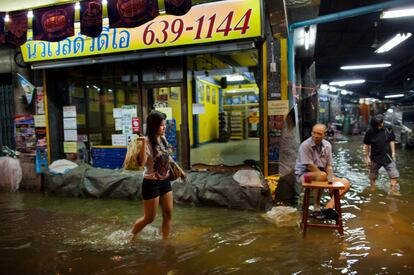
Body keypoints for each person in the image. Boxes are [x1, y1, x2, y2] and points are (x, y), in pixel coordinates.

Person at [130, 110, 186, 241]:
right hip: (151, 183)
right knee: (150, 218)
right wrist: (143, 144)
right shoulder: (147, 142)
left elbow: (168, 158)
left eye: (164, 124)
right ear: (154, 126)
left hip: (165, 182)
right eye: (162, 125)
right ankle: (130, 236)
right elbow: (142, 163)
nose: (164, 127)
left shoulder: (163, 139)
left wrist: (180, 171)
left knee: (168, 214)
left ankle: (165, 241)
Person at [295, 123, 351, 220]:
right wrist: (327, 182)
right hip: (304, 175)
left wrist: (330, 179)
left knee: (346, 184)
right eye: (314, 133)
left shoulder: (327, 145)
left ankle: (328, 207)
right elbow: (310, 166)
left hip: (322, 175)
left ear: (325, 134)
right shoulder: (305, 145)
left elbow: (329, 165)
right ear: (311, 133)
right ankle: (316, 207)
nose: (316, 136)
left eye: (319, 134)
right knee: (321, 176)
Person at [363, 114, 400, 195]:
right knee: (372, 175)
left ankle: (393, 190)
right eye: (379, 125)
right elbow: (367, 145)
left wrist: (393, 153)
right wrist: (367, 157)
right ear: (374, 126)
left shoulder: (388, 129)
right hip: (375, 157)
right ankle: (372, 187)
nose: (382, 125)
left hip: (388, 156)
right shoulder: (370, 132)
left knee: (394, 174)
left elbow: (392, 140)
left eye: (382, 123)